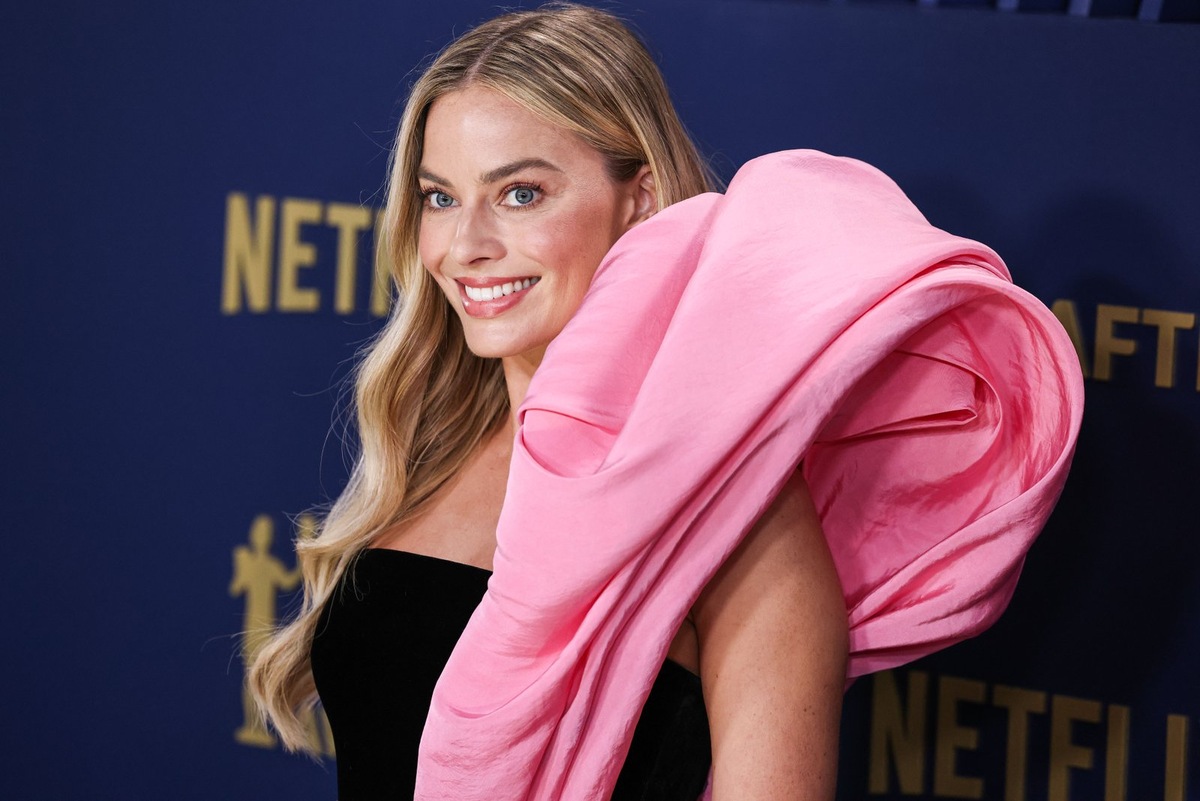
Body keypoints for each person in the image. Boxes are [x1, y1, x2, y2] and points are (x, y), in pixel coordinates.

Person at [248, 4, 1083, 800]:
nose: (465, 245)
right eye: (440, 197)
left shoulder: (744, 515)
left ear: (640, 201)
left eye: (520, 194)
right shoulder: (432, 449)